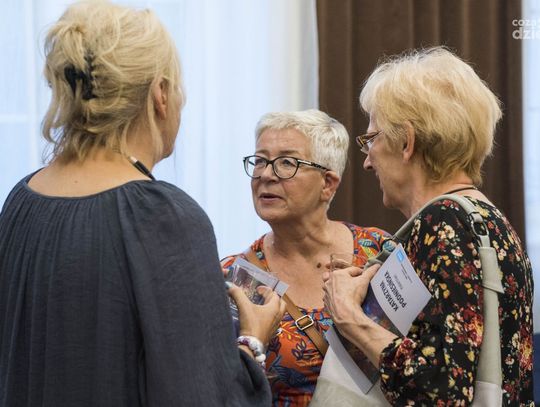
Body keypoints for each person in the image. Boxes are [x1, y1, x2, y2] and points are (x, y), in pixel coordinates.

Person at [0, 1, 285, 406]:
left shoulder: (21, 201)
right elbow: (206, 398)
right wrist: (253, 340)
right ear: (160, 95)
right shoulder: (164, 218)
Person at [322, 47, 534, 405]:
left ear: (407, 142)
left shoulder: (443, 223)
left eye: (371, 139)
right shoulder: (491, 223)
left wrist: (349, 316)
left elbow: (441, 389)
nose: (367, 162)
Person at [221, 109, 390, 407]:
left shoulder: (378, 252)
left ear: (328, 184)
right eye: (260, 160)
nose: (266, 175)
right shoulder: (234, 277)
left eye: (287, 162)